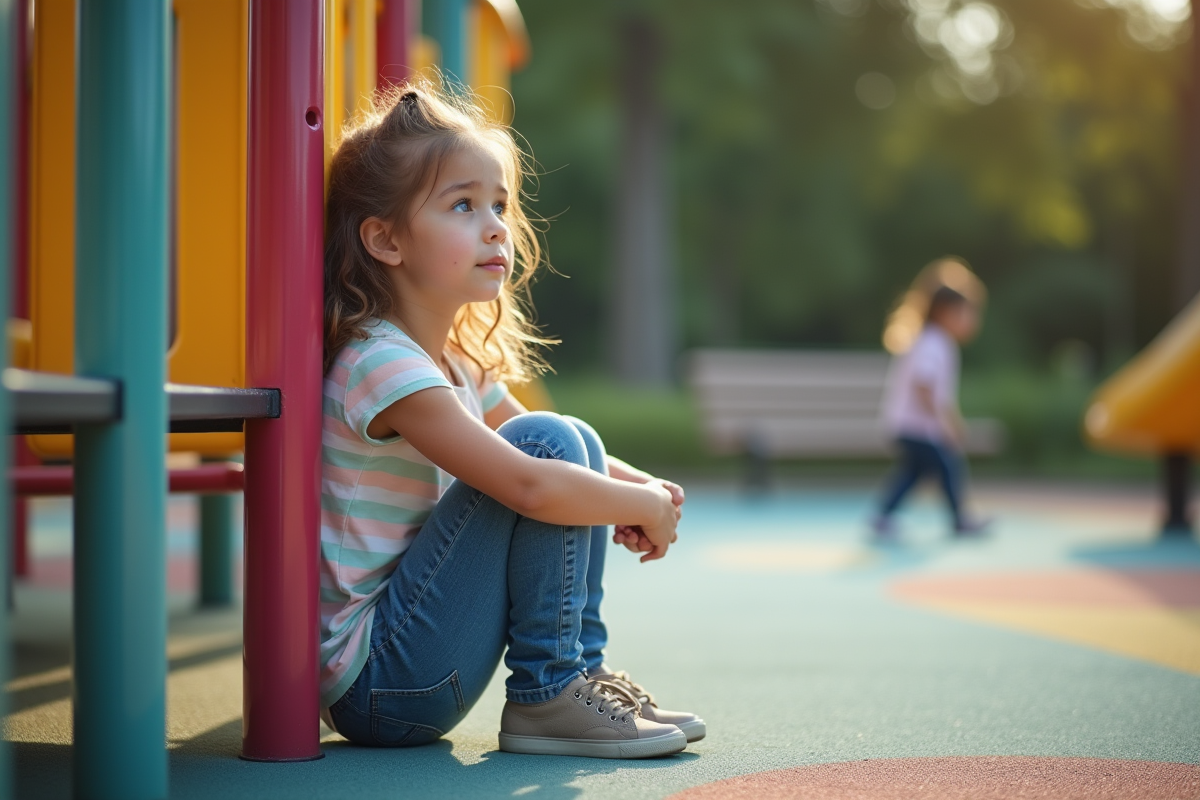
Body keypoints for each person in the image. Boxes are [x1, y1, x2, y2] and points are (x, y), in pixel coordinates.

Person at [318, 82, 703, 759]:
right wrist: (635, 503)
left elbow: (563, 460)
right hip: (379, 681)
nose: (496, 225)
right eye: (463, 206)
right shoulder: (380, 364)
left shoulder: (457, 363)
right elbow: (531, 484)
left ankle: (574, 677)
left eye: (498, 204)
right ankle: (551, 693)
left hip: (422, 659)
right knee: (548, 443)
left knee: (568, 435)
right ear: (385, 239)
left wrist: (646, 489)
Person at [873, 273, 990, 538]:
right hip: (918, 427)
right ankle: (959, 518)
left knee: (913, 472)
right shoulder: (934, 342)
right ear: (945, 312)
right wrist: (945, 422)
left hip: (905, 424)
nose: (971, 321)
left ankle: (883, 516)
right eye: (965, 313)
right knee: (948, 466)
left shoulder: (930, 340)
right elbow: (923, 386)